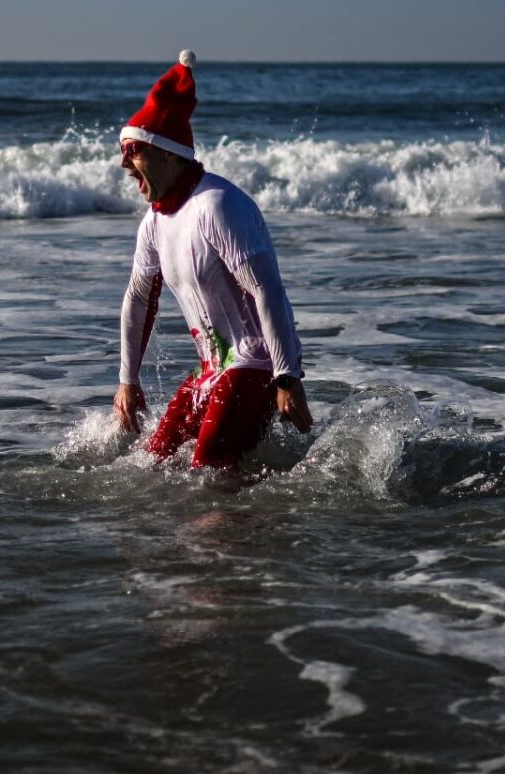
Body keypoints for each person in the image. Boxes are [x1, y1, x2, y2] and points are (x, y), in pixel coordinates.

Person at [113, 51, 314, 470]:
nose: (124, 162)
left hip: (257, 363)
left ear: (169, 154)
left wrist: (286, 377)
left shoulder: (217, 205)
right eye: (123, 151)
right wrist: (127, 381)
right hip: (213, 369)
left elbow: (266, 289)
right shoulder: (154, 223)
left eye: (134, 150)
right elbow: (138, 298)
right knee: (152, 462)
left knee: (208, 468)